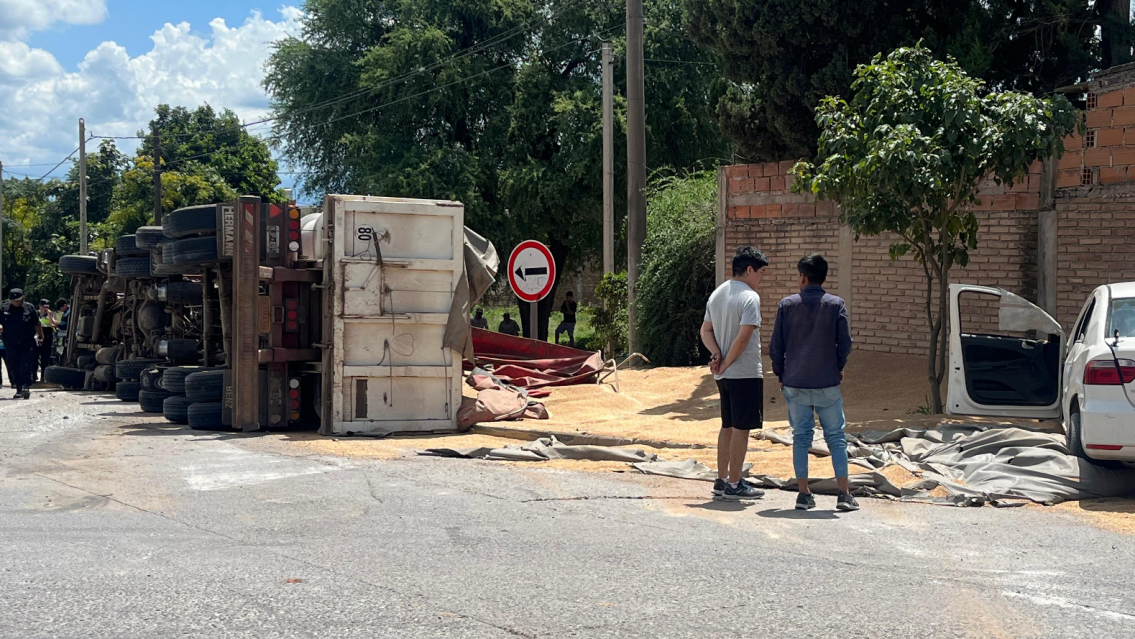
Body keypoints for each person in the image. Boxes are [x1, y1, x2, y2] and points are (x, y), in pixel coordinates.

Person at [769, 254, 856, 512]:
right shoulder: (836, 304)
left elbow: (776, 347)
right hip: (827, 382)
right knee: (836, 438)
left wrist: (781, 374)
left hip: (795, 383)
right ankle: (844, 493)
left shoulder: (787, 305)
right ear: (824, 277)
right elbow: (846, 343)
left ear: (803, 277)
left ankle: (804, 494)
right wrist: (838, 367)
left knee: (801, 438)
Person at [699, 246, 768, 501]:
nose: (761, 279)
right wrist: (726, 361)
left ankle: (721, 479)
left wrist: (716, 355)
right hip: (744, 372)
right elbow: (743, 338)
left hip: (724, 375)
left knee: (727, 425)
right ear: (749, 270)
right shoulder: (750, 297)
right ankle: (735, 483)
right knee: (741, 428)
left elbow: (705, 331)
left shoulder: (717, 294)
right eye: (760, 273)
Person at [0, 289, 44, 399]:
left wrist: (41, 336)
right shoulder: (3, 308)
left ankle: (25, 387)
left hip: (26, 342)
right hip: (10, 343)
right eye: (14, 301)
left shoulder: (29, 308)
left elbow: (36, 323)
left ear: (22, 299)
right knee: (13, 365)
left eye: (18, 300)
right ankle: (18, 388)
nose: (16, 302)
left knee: (25, 364)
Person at [38, 299, 55, 380]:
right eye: (44, 307)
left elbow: (53, 324)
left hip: (47, 336)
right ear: (40, 306)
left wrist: (50, 315)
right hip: (36, 337)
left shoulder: (50, 314)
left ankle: (43, 377)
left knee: (45, 358)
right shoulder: (35, 314)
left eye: (47, 307)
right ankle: (33, 376)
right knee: (34, 357)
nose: (46, 309)